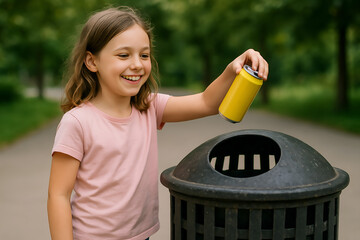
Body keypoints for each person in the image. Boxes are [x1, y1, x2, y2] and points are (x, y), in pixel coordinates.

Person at [47, 6, 268, 240]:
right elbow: (58, 195)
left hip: (142, 235)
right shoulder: (78, 122)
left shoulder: (149, 107)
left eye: (144, 55)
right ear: (92, 62)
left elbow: (206, 102)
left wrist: (234, 68)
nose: (137, 64)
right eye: (123, 55)